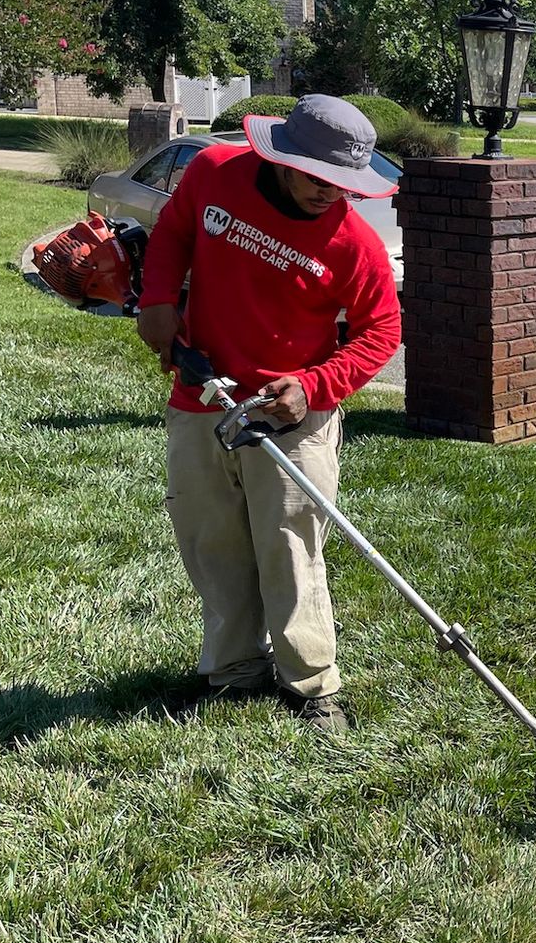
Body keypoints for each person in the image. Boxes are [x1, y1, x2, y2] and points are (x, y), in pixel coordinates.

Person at [135, 95, 401, 733]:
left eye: (343, 185)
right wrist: (159, 299)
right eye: (318, 177)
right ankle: (233, 671)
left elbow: (381, 331)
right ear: (282, 159)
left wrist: (315, 387)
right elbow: (173, 233)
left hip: (293, 413)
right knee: (211, 538)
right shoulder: (214, 173)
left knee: (290, 545)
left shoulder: (353, 244)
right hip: (203, 393)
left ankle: (312, 683)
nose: (329, 194)